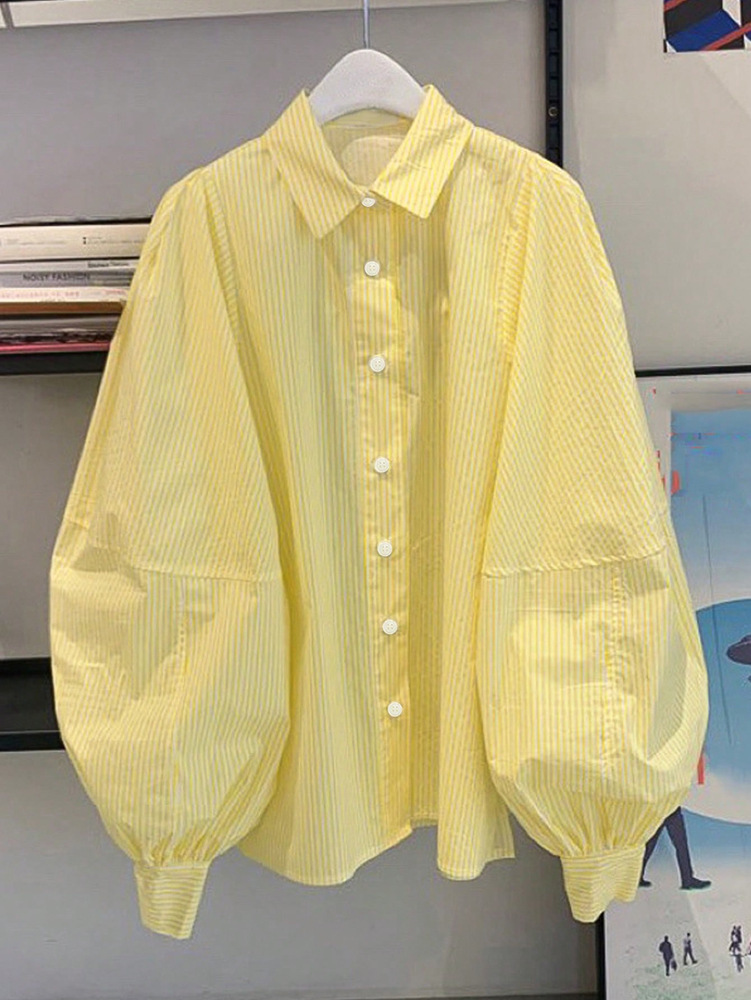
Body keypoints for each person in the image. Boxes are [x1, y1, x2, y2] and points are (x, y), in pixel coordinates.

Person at [639, 806, 711, 890]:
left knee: (649, 845)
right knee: (680, 845)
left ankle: (636, 876)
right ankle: (687, 880)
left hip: (658, 809)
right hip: (668, 809)